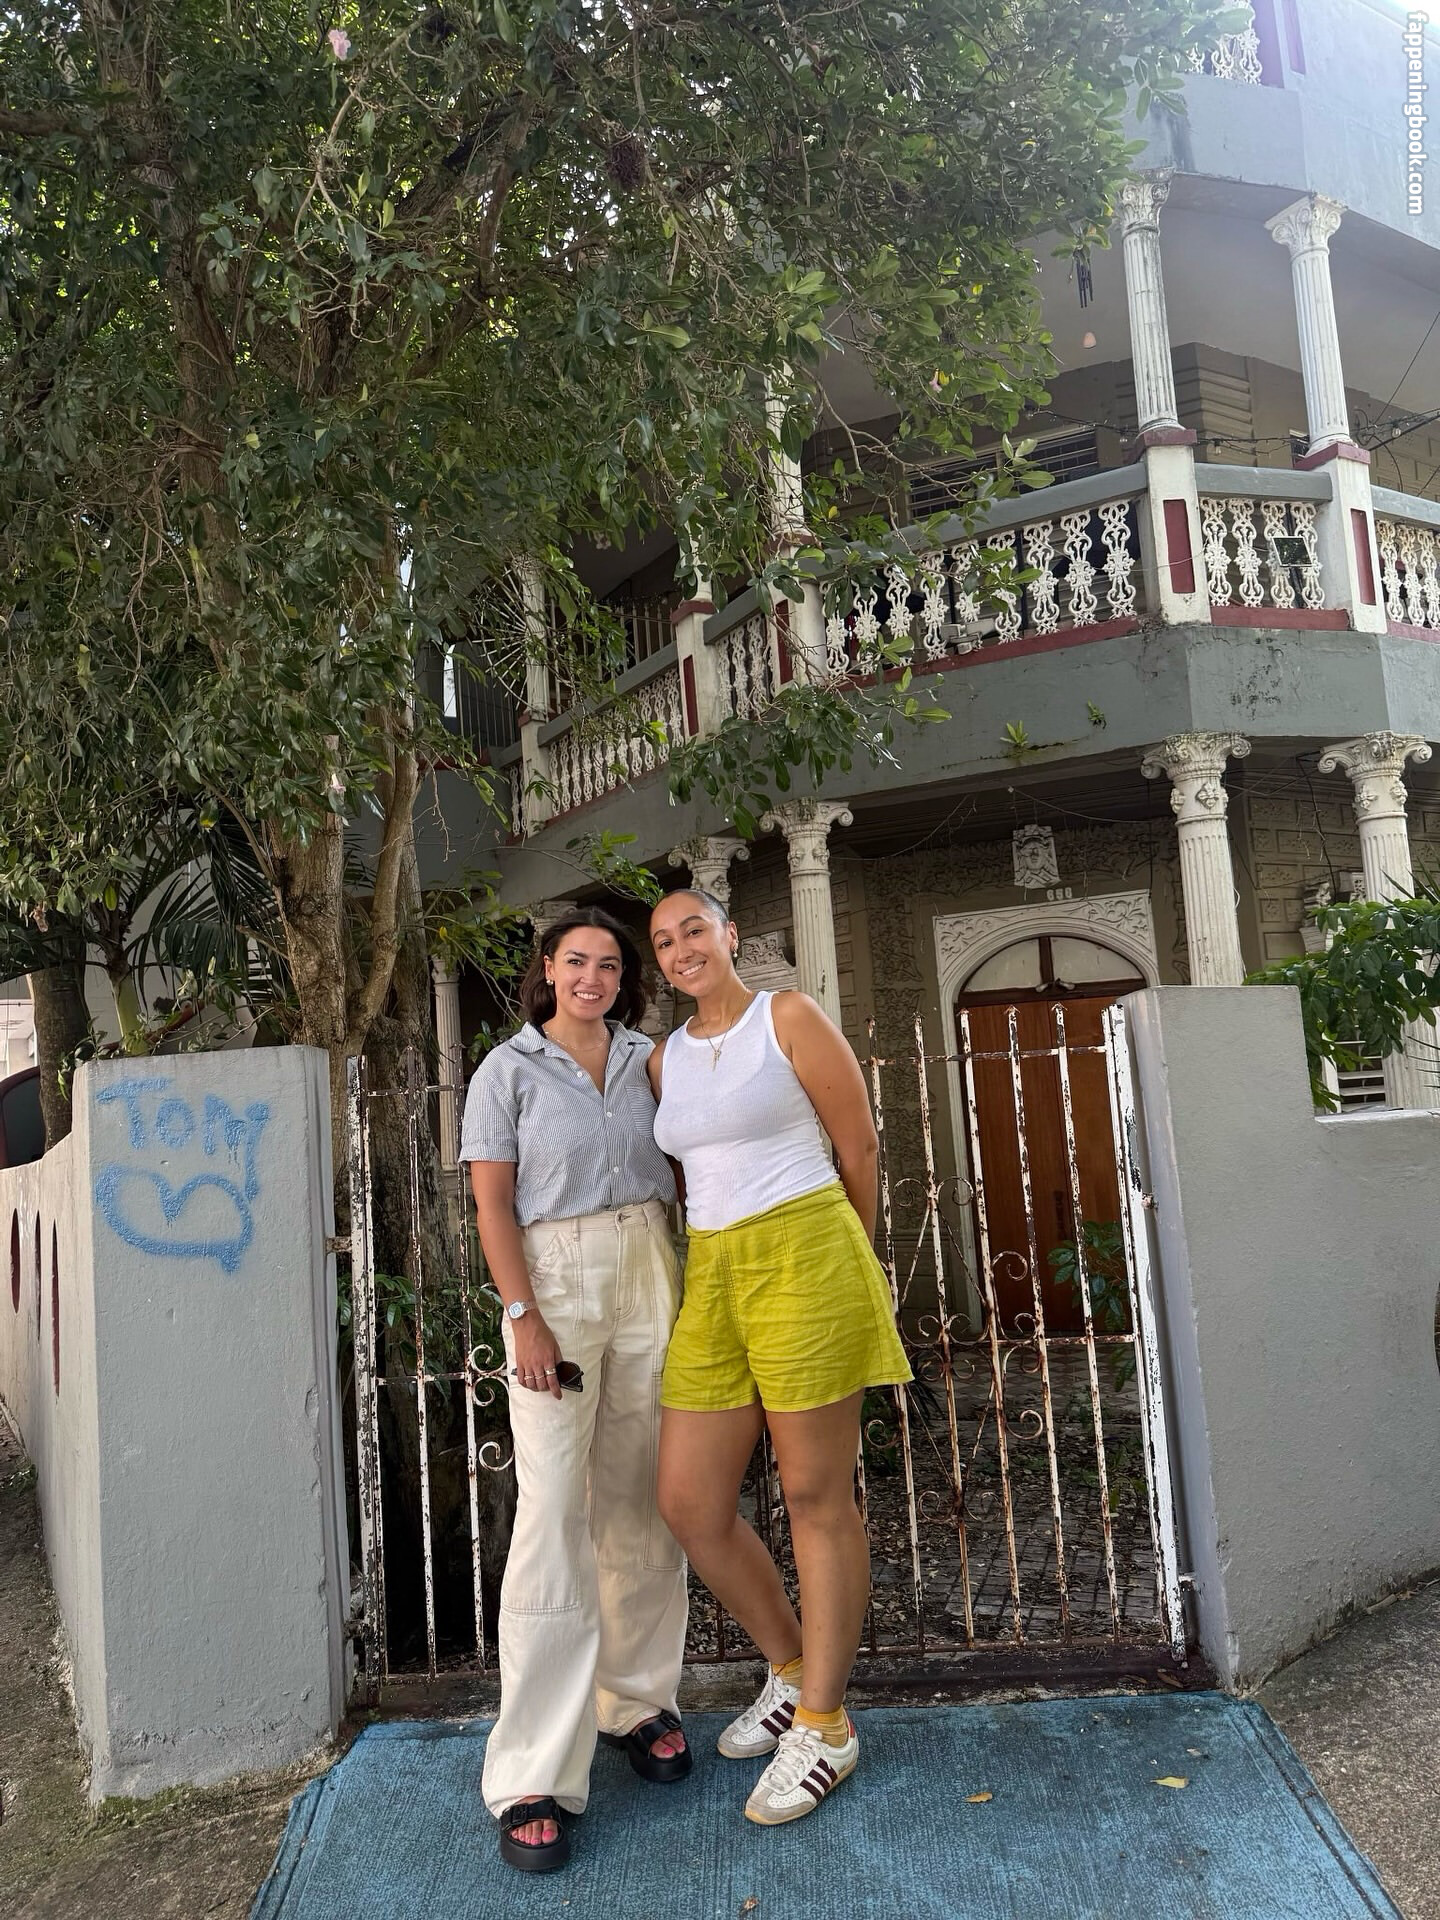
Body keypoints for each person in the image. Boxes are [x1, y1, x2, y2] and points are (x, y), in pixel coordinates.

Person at [648, 887, 911, 1827]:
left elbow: (860, 1145)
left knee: (812, 1494)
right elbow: (690, 1172)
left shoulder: (787, 1016)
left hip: (806, 1246)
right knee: (689, 1500)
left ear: (729, 936)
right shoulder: (664, 1058)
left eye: (694, 930)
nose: (681, 949)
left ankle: (826, 1725)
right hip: (713, 1267)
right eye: (663, 941)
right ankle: (794, 1671)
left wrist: (855, 1264)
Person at [461, 906, 691, 1874]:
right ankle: (533, 1774)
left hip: (649, 1263)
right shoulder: (506, 1071)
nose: (591, 978)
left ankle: (636, 1702)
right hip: (555, 1279)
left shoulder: (651, 1060)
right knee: (554, 1510)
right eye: (575, 962)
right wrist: (523, 1317)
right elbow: (491, 1203)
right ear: (547, 971)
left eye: (608, 965)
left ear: (624, 979)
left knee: (641, 1496)